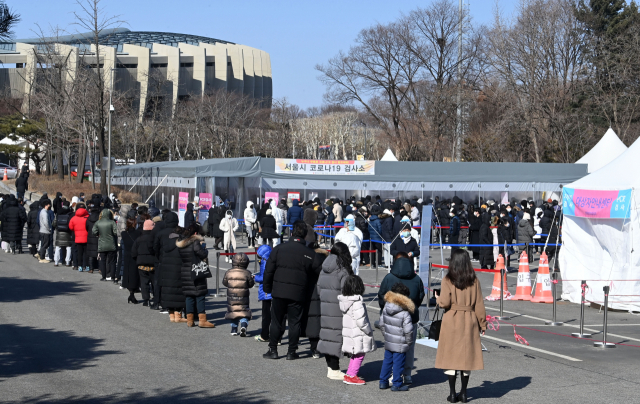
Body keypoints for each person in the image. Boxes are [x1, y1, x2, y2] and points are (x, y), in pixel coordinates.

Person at [435, 249, 487, 403]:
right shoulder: (474, 280)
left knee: (451, 358)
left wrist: (437, 299)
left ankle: (452, 393)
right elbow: (479, 304)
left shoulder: (447, 280)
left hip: (452, 319)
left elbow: (444, 303)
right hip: (469, 318)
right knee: (466, 358)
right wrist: (482, 323)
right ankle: (464, 393)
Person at [262, 221, 318, 360]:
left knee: (276, 321)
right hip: (298, 293)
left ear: (291, 233)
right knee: (295, 323)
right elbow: (316, 273)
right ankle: (291, 352)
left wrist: (267, 288)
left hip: (279, 290)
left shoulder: (279, 248)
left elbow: (269, 270)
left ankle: (273, 349)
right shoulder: (310, 253)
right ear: (305, 235)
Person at [377, 252, 425, 384]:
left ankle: (390, 375)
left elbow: (381, 296)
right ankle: (407, 374)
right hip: (411, 317)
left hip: (390, 319)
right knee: (409, 347)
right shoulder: (416, 279)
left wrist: (385, 309)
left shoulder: (389, 277)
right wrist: (412, 307)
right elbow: (421, 296)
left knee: (391, 348)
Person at [317, 242, 353, 380]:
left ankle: (331, 367)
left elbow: (319, 288)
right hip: (338, 308)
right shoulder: (342, 270)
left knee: (328, 336)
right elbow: (347, 292)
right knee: (336, 337)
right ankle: (334, 370)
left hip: (326, 306)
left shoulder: (324, 268)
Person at [338, 275, 376, 386]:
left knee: (355, 353)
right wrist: (368, 330)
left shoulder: (345, 301)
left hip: (350, 332)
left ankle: (349, 374)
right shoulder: (357, 302)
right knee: (359, 354)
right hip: (358, 333)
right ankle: (352, 375)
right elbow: (361, 320)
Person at [177, 223, 215, 328]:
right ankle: (202, 320)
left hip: (185, 271)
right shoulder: (195, 242)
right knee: (200, 295)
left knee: (189, 296)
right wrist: (204, 248)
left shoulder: (181, 244)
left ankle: (190, 320)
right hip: (196, 270)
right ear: (195, 233)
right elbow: (202, 254)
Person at [379, 282, 414, 392]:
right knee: (398, 364)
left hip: (389, 341)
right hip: (400, 343)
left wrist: (386, 336)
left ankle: (383, 382)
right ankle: (397, 384)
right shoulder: (404, 312)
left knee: (387, 361)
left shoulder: (386, 307)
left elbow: (381, 324)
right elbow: (408, 330)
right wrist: (409, 342)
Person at [156, 212, 187, 322]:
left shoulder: (161, 233)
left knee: (167, 288)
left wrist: (160, 258)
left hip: (164, 262)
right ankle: (178, 314)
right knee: (178, 288)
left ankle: (171, 315)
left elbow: (154, 248)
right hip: (179, 263)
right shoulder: (181, 233)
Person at [303, 241, 329, 358]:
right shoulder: (327, 259)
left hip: (311, 291)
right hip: (326, 291)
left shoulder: (308, 259)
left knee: (312, 319)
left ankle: (315, 349)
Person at [223, 253, 255, 336]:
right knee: (243, 311)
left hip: (232, 296)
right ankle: (243, 325)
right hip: (243, 296)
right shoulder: (247, 273)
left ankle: (234, 329)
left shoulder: (229, 272)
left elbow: (225, 283)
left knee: (234, 311)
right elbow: (251, 285)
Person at [132, 219, 157, 306]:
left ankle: (146, 299)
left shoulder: (139, 239)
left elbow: (133, 252)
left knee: (144, 282)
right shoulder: (154, 238)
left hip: (141, 263)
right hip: (153, 263)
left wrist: (137, 259)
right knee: (154, 282)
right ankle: (156, 297)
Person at [92, 209, 119, 283]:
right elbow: (115, 232)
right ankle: (112, 276)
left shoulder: (98, 222)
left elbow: (94, 232)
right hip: (111, 244)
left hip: (102, 244)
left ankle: (104, 276)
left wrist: (99, 234)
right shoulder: (112, 222)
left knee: (102, 261)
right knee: (112, 261)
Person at [253, 244, 273, 342]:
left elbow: (265, 277)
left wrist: (254, 278)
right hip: (271, 290)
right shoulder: (270, 260)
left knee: (266, 315)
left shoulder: (265, 262)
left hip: (266, 291)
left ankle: (264, 335)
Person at [120, 217, 142, 304]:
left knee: (128, 274)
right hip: (135, 255)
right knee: (135, 275)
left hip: (127, 255)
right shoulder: (138, 233)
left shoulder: (124, 233)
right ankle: (132, 294)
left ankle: (131, 293)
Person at [53, 202, 73, 266]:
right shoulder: (70, 213)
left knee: (58, 247)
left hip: (59, 232)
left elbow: (54, 223)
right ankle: (67, 261)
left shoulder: (58, 212)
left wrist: (58, 228)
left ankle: (56, 261)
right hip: (67, 233)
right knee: (68, 247)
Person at [85, 200, 101, 273]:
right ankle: (100, 268)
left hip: (90, 236)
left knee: (91, 253)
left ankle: (91, 268)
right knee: (99, 253)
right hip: (98, 236)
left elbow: (86, 227)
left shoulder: (89, 218)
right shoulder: (100, 219)